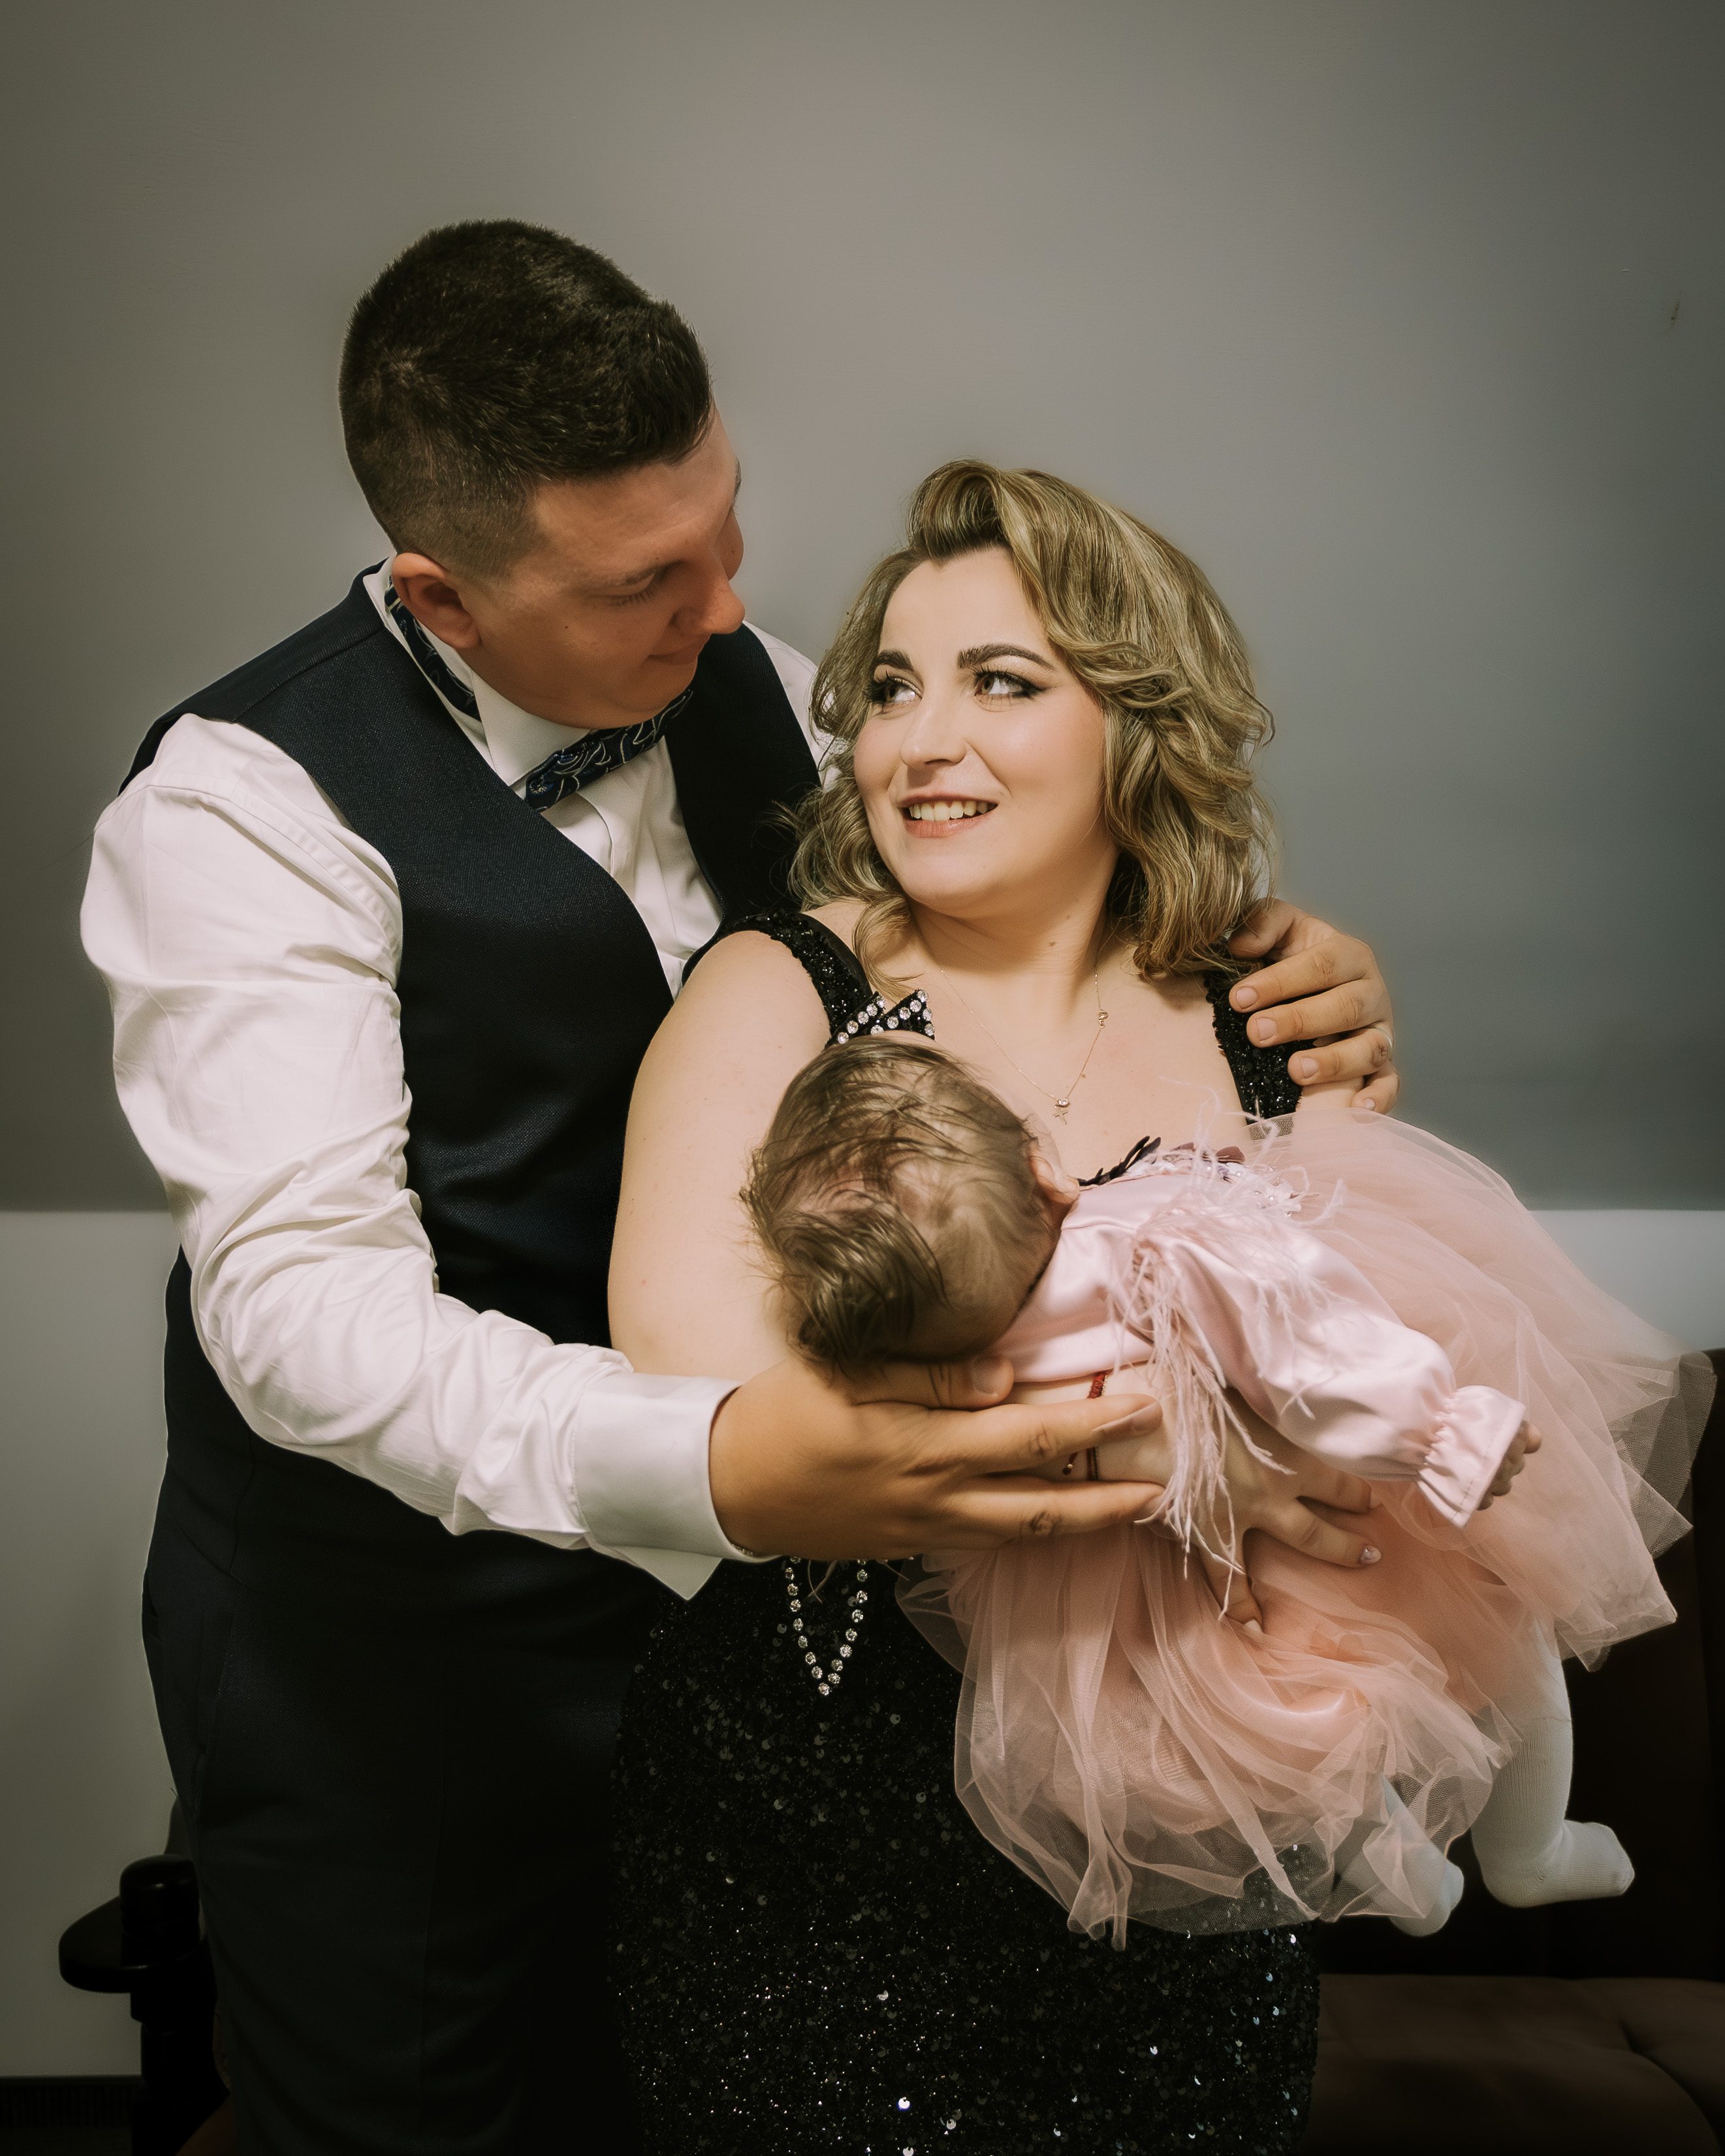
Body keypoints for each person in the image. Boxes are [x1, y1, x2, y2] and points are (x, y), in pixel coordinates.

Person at [79, 225, 1400, 2156]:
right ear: (443, 596)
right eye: (647, 581)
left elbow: (1019, 906)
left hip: (741, 1689)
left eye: (725, 529)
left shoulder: (758, 683)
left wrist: (1270, 957)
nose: (730, 605)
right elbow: (296, 1318)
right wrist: (716, 1462)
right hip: (401, 1661)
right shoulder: (239, 807)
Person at [602, 459, 1698, 2152]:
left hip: (1193, 1845)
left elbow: (1352, 1337)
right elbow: (699, 1378)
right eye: (890, 687)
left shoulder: (1272, 1018)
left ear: (1135, 720)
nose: (916, 741)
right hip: (824, 1841)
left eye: (999, 682)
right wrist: (1179, 1457)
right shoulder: (784, 988)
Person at [742, 1033, 1700, 1952]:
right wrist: (1436, 1433)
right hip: (1322, 1496)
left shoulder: (938, 1349)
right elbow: (1306, 1357)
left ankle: (1404, 1876)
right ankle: (1530, 1850)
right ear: (1046, 1172)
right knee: (1506, 1621)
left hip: (1131, 1592)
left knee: (1296, 1729)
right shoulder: (1152, 1239)